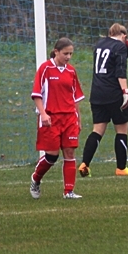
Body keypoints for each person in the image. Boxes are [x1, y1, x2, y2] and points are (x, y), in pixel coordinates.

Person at [79, 23, 128, 178]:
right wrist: (125, 91)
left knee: (97, 130)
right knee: (121, 130)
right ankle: (121, 168)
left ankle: (84, 163)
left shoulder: (99, 44)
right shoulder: (120, 47)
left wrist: (125, 44)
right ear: (124, 36)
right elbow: (120, 71)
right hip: (114, 93)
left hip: (97, 94)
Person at [30, 37, 85, 199]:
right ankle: (36, 178)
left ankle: (69, 191)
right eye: (65, 53)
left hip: (69, 118)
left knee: (69, 152)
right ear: (56, 52)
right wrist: (43, 113)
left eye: (71, 54)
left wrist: (78, 120)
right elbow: (37, 94)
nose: (68, 57)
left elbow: (75, 98)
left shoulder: (71, 71)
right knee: (52, 156)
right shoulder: (45, 69)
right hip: (51, 118)